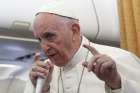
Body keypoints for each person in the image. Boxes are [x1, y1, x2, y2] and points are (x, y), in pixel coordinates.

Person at [24, 1, 140, 93]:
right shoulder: (42, 74)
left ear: (74, 31)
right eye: (39, 39)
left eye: (49, 36)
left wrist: (115, 83)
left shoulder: (121, 58)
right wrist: (42, 90)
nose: (44, 48)